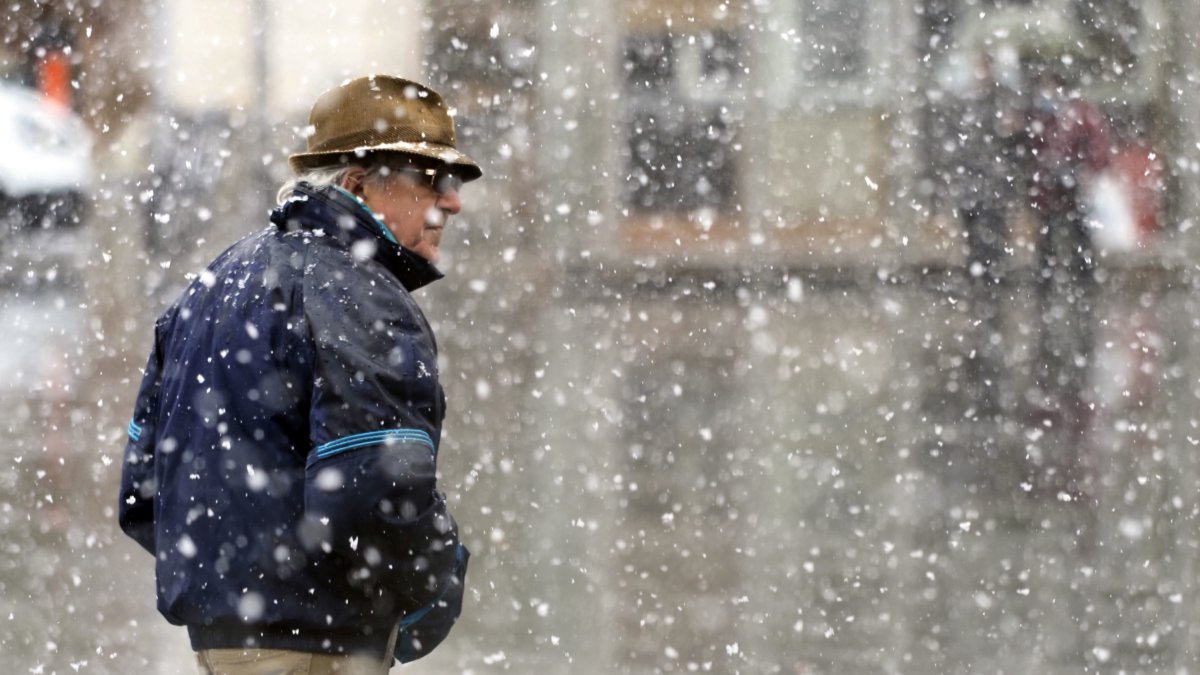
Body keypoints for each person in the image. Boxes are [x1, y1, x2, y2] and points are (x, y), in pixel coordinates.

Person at [118, 74, 481, 674]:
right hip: (321, 649)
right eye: (431, 180)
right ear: (359, 184)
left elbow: (143, 494)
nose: (453, 201)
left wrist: (236, 591)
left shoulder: (214, 283)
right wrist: (431, 591)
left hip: (226, 646)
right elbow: (376, 491)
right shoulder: (362, 296)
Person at [1023, 65, 1111, 443]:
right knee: (1047, 245)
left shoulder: (1082, 113)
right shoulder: (1039, 115)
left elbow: (1099, 151)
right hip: (1048, 193)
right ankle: (1046, 283)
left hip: (1072, 193)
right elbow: (1029, 150)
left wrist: (1077, 169)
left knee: (1078, 242)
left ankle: (1083, 282)